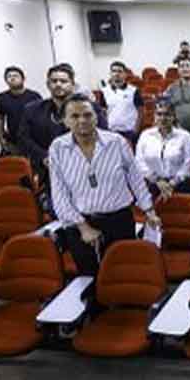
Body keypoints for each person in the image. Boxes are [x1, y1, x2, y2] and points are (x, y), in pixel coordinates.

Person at [49, 93, 161, 276]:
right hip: (80, 224)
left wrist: (149, 211)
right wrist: (82, 226)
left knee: (124, 273)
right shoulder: (57, 148)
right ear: (64, 121)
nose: (82, 121)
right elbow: (59, 193)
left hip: (119, 221)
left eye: (87, 115)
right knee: (90, 277)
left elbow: (135, 178)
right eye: (75, 116)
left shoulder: (116, 142)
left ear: (97, 115)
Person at [20, 64, 107, 187]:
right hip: (49, 172)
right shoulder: (32, 110)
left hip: (85, 169)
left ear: (73, 84)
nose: (58, 84)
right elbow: (24, 138)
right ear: (48, 84)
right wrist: (44, 157)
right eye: (54, 81)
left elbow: (103, 135)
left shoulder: (91, 108)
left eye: (63, 81)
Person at [135, 98, 190, 198]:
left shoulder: (185, 136)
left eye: (167, 114)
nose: (163, 118)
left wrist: (172, 183)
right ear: (154, 116)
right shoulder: (145, 135)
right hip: (152, 186)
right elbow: (139, 162)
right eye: (159, 114)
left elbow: (188, 164)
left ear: (173, 117)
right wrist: (157, 180)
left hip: (180, 186)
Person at [0, 66, 42, 156]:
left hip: (34, 138)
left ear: (23, 79)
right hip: (14, 140)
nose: (12, 78)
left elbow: (41, 117)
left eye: (15, 76)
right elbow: (0, 119)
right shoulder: (2, 97)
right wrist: (1, 139)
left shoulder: (34, 96)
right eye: (9, 76)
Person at [100, 61, 144, 143]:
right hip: (112, 132)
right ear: (110, 73)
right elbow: (103, 112)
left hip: (129, 132)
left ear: (125, 74)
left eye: (120, 71)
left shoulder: (133, 91)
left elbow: (141, 112)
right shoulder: (104, 91)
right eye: (114, 71)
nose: (116, 74)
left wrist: (136, 130)